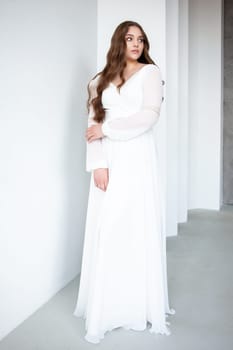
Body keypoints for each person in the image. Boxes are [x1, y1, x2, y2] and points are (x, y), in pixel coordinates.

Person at [73, 20, 175, 344]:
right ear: (119, 41)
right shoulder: (99, 81)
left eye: (141, 39)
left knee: (133, 227)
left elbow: (150, 115)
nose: (136, 44)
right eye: (130, 38)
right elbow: (93, 123)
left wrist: (109, 131)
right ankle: (106, 307)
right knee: (108, 229)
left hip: (137, 161)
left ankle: (135, 305)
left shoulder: (150, 74)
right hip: (109, 162)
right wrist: (98, 165)